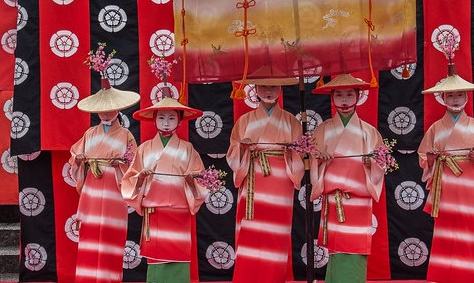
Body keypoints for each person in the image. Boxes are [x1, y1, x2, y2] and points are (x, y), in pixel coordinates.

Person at [418, 56, 474, 283]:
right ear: (442, 97)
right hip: (446, 184)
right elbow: (423, 155)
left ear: (467, 97)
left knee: (468, 229)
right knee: (446, 231)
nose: (456, 99)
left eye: (460, 94)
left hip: (470, 184)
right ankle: (443, 275)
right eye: (451, 94)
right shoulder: (435, 128)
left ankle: (465, 275)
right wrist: (431, 160)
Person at [226, 67, 304, 282]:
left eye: (273, 86)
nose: (268, 91)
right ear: (256, 89)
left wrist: (291, 151)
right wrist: (243, 148)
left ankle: (273, 276)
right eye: (264, 86)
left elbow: (300, 156)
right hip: (252, 177)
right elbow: (233, 152)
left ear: (280, 89)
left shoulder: (291, 121)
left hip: (280, 180)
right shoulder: (244, 121)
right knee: (251, 232)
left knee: (275, 235)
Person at [122, 96, 207, 283]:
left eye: (171, 118)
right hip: (156, 212)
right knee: (157, 262)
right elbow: (130, 179)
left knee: (179, 259)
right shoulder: (145, 149)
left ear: (179, 119)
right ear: (154, 120)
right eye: (161, 118)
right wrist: (141, 177)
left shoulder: (188, 149)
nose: (166, 123)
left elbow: (200, 180)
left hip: (179, 211)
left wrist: (191, 181)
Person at [310, 74, 384, 283]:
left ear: (358, 96)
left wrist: (372, 164)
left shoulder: (369, 132)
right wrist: (320, 160)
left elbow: (381, 165)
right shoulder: (323, 129)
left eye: (350, 94)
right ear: (332, 97)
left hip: (359, 201)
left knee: (355, 247)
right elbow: (312, 160)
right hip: (335, 198)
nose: (344, 100)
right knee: (338, 249)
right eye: (339, 95)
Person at [68, 73, 140, 283]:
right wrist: (80, 161)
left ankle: (109, 278)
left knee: (110, 235)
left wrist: (122, 164)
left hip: (113, 191)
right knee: (90, 233)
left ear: (118, 110)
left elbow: (134, 164)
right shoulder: (90, 133)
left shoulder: (126, 135)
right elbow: (75, 156)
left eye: (110, 110)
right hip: (92, 188)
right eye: (102, 111)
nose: (106, 114)